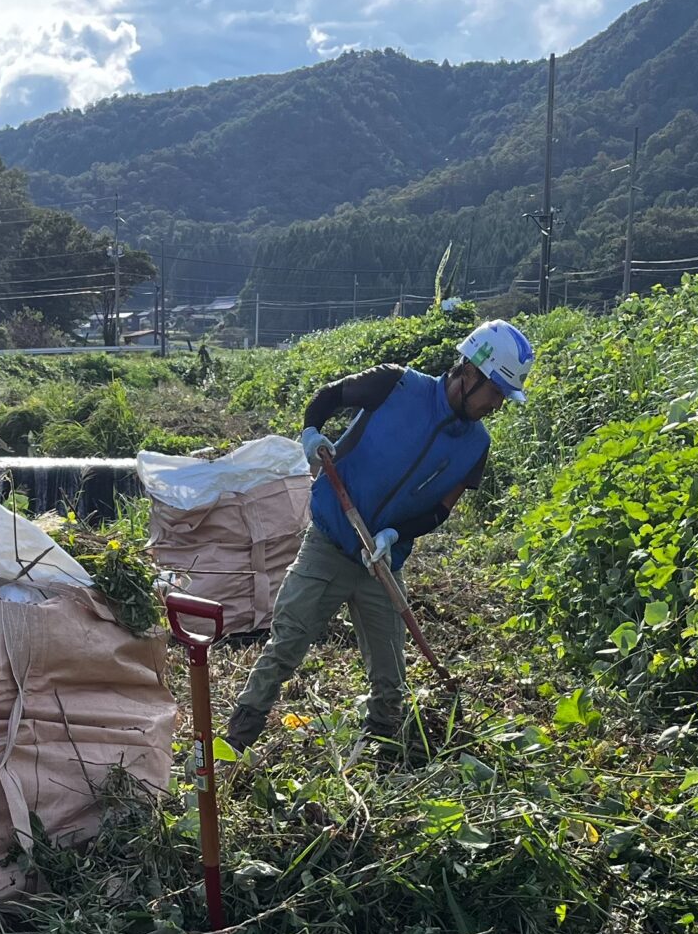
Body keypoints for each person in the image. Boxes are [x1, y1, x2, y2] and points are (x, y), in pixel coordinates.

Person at [222, 319, 534, 763]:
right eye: (496, 392)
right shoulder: (396, 384)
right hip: (330, 543)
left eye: (504, 396)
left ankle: (380, 753)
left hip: (382, 563)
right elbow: (328, 396)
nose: (497, 404)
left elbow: (441, 509)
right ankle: (235, 741)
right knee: (287, 644)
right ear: (470, 372)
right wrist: (311, 432)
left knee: (390, 676)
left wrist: (395, 534)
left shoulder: (475, 446)